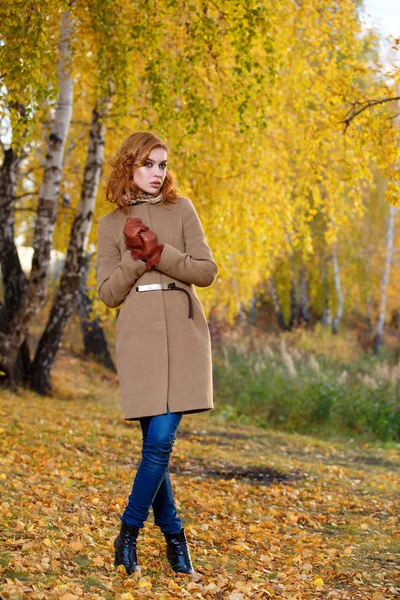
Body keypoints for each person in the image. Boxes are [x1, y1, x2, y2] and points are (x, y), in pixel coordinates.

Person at [96, 131, 218, 576]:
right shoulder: (110, 225)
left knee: (161, 441)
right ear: (129, 166)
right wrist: (134, 256)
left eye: (162, 165)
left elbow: (206, 271)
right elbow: (108, 293)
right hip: (139, 339)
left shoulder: (181, 209)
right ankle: (174, 536)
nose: (157, 173)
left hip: (184, 335)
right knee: (155, 446)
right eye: (149, 164)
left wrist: (160, 252)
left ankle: (128, 531)